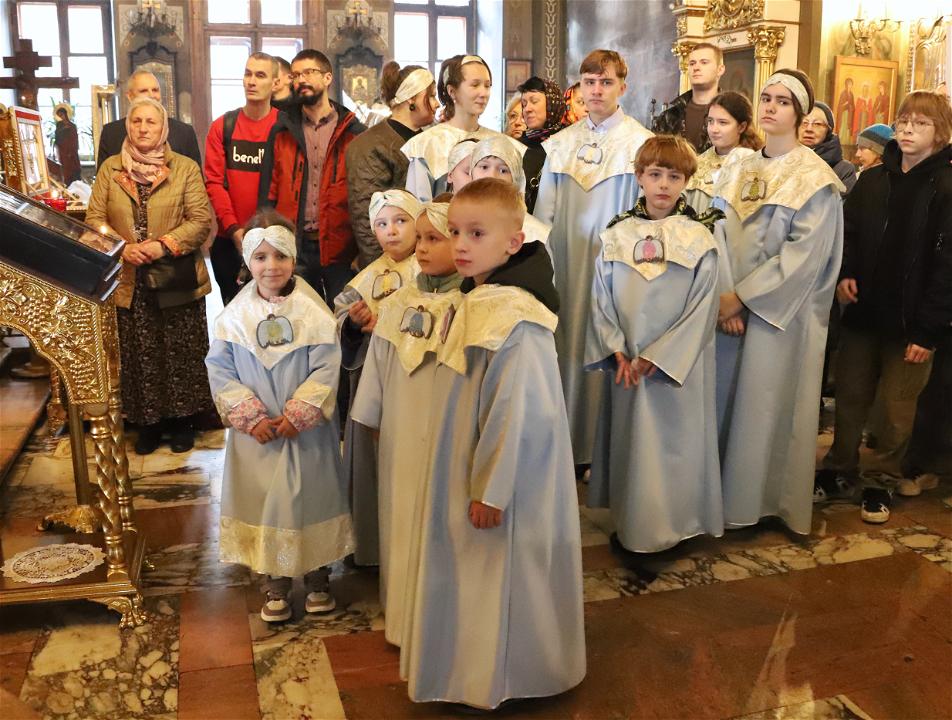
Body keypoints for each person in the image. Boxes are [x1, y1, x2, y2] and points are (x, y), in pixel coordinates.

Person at [397, 178, 585, 709]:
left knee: (499, 575)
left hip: (501, 479)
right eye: (456, 231)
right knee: (470, 572)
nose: (460, 245)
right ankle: (464, 672)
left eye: (477, 234)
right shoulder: (476, 295)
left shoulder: (514, 315)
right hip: (465, 460)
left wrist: (492, 489)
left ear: (513, 242)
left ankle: (502, 679)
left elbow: (516, 410)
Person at [712, 69, 845, 535]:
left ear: (800, 113)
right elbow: (715, 232)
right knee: (725, 404)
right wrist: (723, 294)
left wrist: (743, 299)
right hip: (726, 310)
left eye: (783, 101)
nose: (770, 106)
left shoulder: (815, 180)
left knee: (766, 408)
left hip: (777, 319)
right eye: (766, 97)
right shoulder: (737, 167)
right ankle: (718, 499)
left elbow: (804, 257)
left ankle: (761, 504)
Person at [205, 210, 355, 622]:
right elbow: (220, 369)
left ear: (293, 258)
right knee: (267, 501)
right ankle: (276, 579)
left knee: (311, 496)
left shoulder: (314, 313)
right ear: (247, 261)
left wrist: (301, 411)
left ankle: (318, 574)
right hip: (260, 434)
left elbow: (326, 366)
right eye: (261, 257)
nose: (271, 266)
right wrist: (249, 415)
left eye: (280, 256)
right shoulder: (234, 318)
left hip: (305, 434)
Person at [814, 91, 952, 523]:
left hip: (912, 323)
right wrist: (845, 274)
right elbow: (849, 233)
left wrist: (928, 331)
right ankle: (838, 469)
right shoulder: (873, 180)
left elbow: (948, 266)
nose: (908, 129)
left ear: (941, 133)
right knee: (851, 398)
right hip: (864, 313)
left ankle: (881, 481)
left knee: (896, 410)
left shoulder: (947, 186)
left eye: (920, 123)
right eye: (903, 121)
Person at [586, 135, 723, 553]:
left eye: (674, 177)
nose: (664, 185)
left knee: (673, 445)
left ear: (687, 182)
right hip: (627, 361)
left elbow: (703, 305)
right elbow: (601, 297)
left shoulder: (698, 238)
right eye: (655, 174)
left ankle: (674, 526)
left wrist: (660, 355)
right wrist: (614, 347)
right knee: (632, 444)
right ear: (639, 177)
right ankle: (633, 524)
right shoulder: (616, 235)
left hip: (675, 366)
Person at [350, 197, 464, 647]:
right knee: (400, 521)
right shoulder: (398, 303)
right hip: (399, 438)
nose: (422, 248)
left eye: (435, 238)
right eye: (422, 239)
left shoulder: (471, 304)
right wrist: (375, 419)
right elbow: (378, 367)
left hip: (447, 438)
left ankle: (441, 623)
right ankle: (401, 616)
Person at [534, 49, 653, 469]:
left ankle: (599, 454)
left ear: (623, 86)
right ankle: (564, 444)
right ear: (578, 88)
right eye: (589, 82)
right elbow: (544, 213)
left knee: (607, 340)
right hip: (565, 264)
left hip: (615, 267)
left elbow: (644, 213)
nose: (597, 90)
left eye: (606, 82)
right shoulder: (560, 145)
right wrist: (544, 267)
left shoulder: (640, 145)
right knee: (565, 343)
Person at [86, 97, 214, 455]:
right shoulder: (111, 168)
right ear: (127, 126)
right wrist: (121, 248)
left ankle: (183, 423)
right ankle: (148, 425)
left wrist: (163, 245)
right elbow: (94, 219)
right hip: (130, 280)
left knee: (179, 351)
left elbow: (200, 220)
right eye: (136, 121)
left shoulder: (184, 168)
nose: (143, 128)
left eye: (150, 122)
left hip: (175, 275)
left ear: (163, 128)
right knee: (139, 356)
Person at [334, 189, 422, 567]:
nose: (392, 231)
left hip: (412, 379)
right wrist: (353, 324)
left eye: (401, 221)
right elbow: (339, 318)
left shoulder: (427, 270)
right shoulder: (366, 278)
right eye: (382, 224)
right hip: (371, 380)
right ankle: (370, 547)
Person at [258, 49, 365, 304]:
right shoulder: (282, 130)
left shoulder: (353, 132)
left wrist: (363, 250)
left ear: (327, 78)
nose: (301, 80)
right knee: (297, 316)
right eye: (295, 75)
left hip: (340, 247)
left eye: (308, 72)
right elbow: (268, 192)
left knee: (343, 318)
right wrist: (266, 240)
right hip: (293, 245)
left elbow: (363, 194)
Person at [205, 52, 280, 305]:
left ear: (275, 83)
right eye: (248, 74)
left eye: (260, 75)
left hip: (273, 239)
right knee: (235, 317)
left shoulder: (284, 127)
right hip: (230, 242)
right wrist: (234, 229)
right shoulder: (222, 126)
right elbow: (214, 183)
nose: (252, 81)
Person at [346, 61, 436, 269]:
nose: (437, 104)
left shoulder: (429, 140)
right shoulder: (369, 145)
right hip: (391, 264)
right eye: (431, 96)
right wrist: (383, 272)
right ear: (411, 99)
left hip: (426, 258)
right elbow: (366, 218)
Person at [402, 54, 524, 202]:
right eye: (475, 85)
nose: (484, 93)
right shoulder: (425, 144)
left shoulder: (503, 143)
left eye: (487, 86)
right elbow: (417, 207)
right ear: (452, 91)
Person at [97, 70, 202, 170]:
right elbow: (103, 176)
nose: (151, 95)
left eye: (155, 90)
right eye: (144, 91)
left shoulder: (184, 133)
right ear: (130, 96)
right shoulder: (111, 133)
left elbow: (195, 176)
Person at [685, 90, 761, 213]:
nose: (714, 129)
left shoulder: (751, 164)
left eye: (723, 123)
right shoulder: (696, 163)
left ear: (741, 127)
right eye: (710, 121)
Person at [469, 135, 552, 247]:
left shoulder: (536, 235)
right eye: (484, 167)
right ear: (471, 173)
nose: (492, 176)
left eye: (503, 170)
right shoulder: (454, 222)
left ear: (515, 180)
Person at [652, 43, 725, 153]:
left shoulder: (732, 114)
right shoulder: (668, 117)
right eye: (692, 63)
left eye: (704, 62)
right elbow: (653, 156)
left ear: (720, 69)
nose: (696, 68)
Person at [517, 76, 566, 213]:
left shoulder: (568, 144)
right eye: (524, 104)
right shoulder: (516, 147)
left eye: (534, 101)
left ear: (552, 104)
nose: (527, 109)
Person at [799, 101, 857, 193]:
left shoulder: (844, 169)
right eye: (804, 123)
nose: (809, 129)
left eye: (817, 124)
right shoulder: (781, 160)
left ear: (828, 130)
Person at [835, 78, 855, 146]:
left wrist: (851, 107)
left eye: (851, 84)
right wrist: (845, 104)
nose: (849, 86)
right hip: (844, 113)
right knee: (843, 126)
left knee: (847, 127)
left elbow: (853, 105)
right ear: (846, 85)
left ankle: (846, 140)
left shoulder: (851, 94)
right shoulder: (843, 93)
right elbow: (840, 105)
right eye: (848, 84)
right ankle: (841, 140)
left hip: (849, 114)